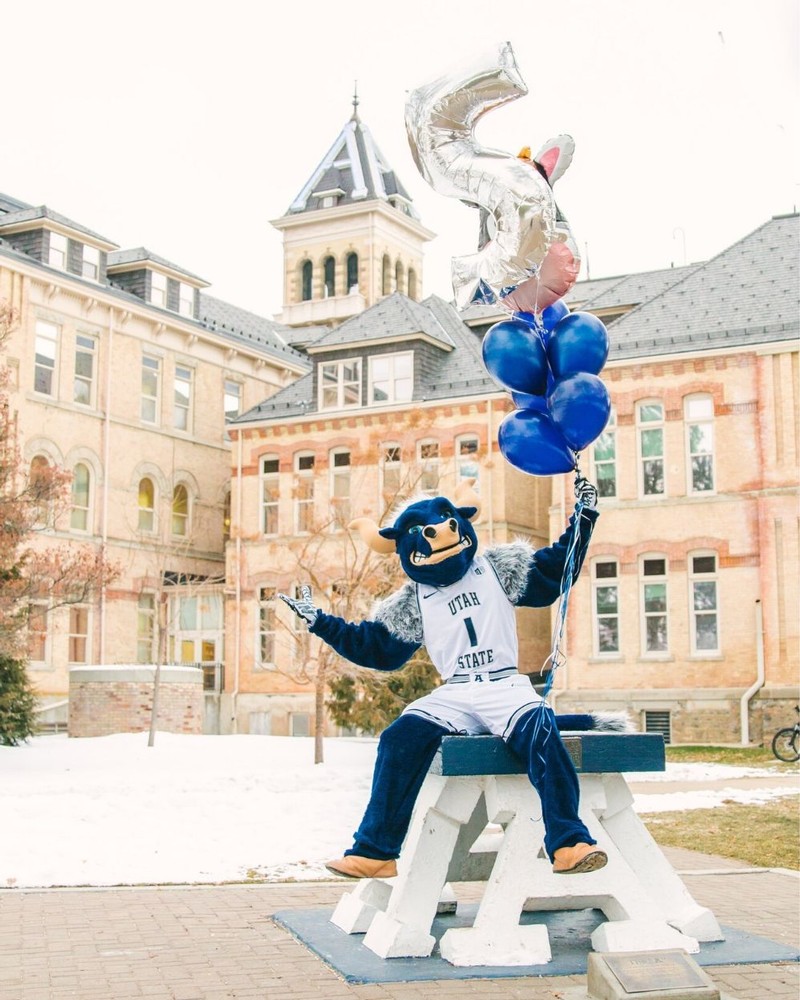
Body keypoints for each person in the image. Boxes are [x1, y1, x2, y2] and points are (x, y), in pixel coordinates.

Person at [280, 475, 610, 880]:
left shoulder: (496, 568)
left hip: (503, 684)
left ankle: (569, 842)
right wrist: (321, 622)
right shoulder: (412, 600)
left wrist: (584, 515)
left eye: (449, 523)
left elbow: (554, 569)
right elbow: (377, 648)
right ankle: (376, 851)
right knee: (398, 739)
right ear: (404, 547)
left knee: (541, 731)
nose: (443, 535)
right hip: (455, 692)